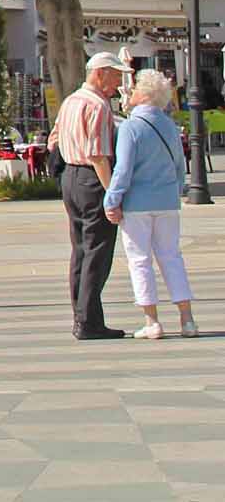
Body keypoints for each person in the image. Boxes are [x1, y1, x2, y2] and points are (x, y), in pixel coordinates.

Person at [104, 68, 197, 340]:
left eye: (134, 88)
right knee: (171, 257)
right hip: (168, 202)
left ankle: (152, 321)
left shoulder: (131, 127)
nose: (130, 92)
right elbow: (180, 167)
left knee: (140, 260)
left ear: (144, 95)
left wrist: (112, 199)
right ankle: (187, 319)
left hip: (137, 205)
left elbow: (123, 170)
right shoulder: (169, 125)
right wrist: (174, 191)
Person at [54, 51, 127, 340]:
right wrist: (113, 194)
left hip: (71, 176)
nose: (119, 80)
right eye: (116, 74)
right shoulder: (98, 105)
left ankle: (82, 315)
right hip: (91, 178)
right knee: (97, 251)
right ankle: (88, 321)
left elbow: (55, 137)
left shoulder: (71, 100)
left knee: (81, 250)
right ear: (100, 73)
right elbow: (98, 155)